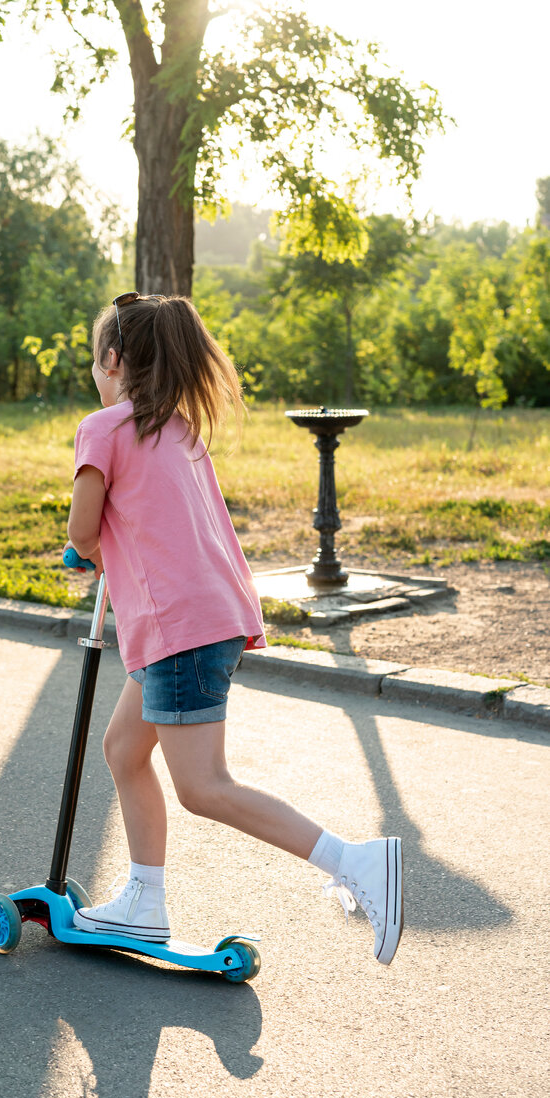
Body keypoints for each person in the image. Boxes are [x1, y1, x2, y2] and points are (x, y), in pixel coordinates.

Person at [65, 292, 403, 966]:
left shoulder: (103, 426)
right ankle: (144, 900)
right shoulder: (181, 430)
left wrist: (84, 549)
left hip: (178, 632)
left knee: (203, 786)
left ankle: (356, 862)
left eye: (95, 360)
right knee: (125, 750)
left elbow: (81, 531)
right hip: (206, 621)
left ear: (112, 360)